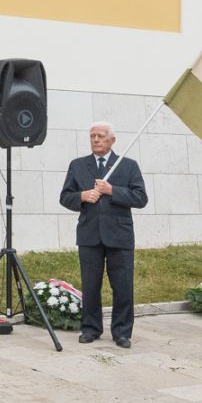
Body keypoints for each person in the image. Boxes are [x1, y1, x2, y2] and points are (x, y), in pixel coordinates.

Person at [58, 122, 148, 347]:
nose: (95, 140)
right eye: (92, 137)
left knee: (123, 285)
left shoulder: (128, 166)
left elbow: (140, 198)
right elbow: (65, 197)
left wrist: (112, 191)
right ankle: (90, 329)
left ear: (112, 140)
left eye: (100, 136)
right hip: (89, 235)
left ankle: (122, 332)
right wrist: (82, 196)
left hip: (120, 235)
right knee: (90, 285)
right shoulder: (78, 166)